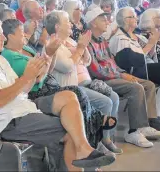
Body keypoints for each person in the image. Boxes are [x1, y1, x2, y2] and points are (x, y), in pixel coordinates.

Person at [0, 16, 116, 171]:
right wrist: (26, 77)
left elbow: (24, 89)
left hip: (22, 106)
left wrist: (34, 73)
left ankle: (84, 148)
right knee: (70, 131)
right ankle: (81, 155)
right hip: (8, 120)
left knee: (70, 96)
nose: (3, 38)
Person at [86, 8, 160, 147]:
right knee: (136, 87)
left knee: (148, 85)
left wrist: (123, 73)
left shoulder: (102, 40)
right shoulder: (88, 42)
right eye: (103, 19)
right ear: (93, 23)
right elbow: (96, 72)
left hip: (114, 75)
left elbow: (112, 63)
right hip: (102, 81)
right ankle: (134, 131)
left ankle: (145, 125)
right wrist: (121, 74)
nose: (108, 21)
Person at [44, 11, 122, 154]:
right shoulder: (52, 44)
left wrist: (83, 48)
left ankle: (105, 139)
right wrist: (80, 48)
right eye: (67, 21)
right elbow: (67, 66)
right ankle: (96, 143)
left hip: (76, 87)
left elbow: (86, 62)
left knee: (112, 98)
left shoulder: (70, 41)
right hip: (64, 91)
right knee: (105, 102)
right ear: (57, 27)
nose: (71, 24)